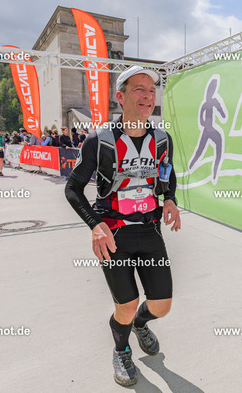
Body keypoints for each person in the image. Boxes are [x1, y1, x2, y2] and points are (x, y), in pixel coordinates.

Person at [64, 66, 180, 387]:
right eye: (139, 89)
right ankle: (121, 349)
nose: (148, 96)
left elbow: (168, 172)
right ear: (121, 96)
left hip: (150, 231)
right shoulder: (100, 140)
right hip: (114, 235)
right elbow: (73, 189)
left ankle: (141, 324)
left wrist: (169, 198)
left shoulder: (161, 139)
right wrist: (95, 225)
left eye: (152, 90)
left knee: (161, 306)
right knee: (126, 307)